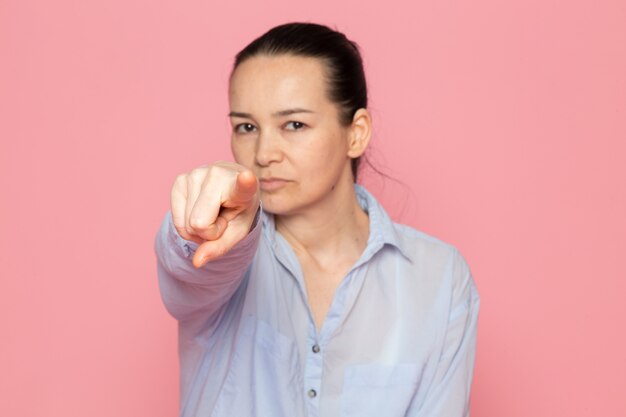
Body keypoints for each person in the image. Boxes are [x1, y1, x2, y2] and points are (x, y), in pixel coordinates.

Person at [154, 22, 480, 417]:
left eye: (294, 124)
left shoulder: (440, 279)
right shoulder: (225, 253)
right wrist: (198, 224)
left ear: (356, 133)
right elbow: (188, 269)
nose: (264, 153)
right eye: (246, 127)